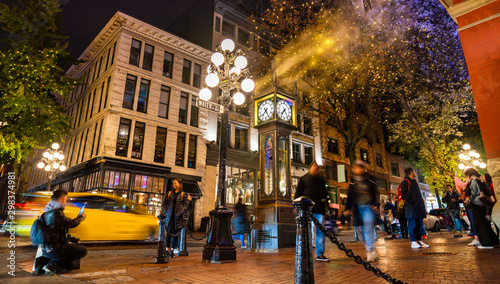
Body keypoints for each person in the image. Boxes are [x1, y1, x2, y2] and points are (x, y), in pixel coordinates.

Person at [38, 190, 87, 275]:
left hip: (46, 249)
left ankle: (49, 262)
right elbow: (70, 223)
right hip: (55, 248)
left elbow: (65, 226)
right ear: (61, 199)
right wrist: (81, 217)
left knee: (72, 265)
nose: (65, 203)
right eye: (65, 200)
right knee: (82, 251)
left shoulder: (48, 212)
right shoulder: (56, 214)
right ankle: (53, 264)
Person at [344, 160, 379, 262]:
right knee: (360, 232)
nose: (358, 169)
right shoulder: (352, 181)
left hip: (368, 207)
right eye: (356, 167)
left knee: (368, 228)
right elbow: (349, 195)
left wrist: (375, 205)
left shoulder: (370, 179)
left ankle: (369, 251)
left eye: (360, 167)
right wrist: (347, 208)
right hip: (357, 208)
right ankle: (371, 248)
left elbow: (375, 192)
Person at [295, 161, 329, 262]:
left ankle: (320, 253)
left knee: (320, 232)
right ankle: (305, 253)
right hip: (306, 210)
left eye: (317, 167)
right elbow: (298, 193)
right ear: (310, 167)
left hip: (319, 209)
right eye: (314, 166)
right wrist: (297, 207)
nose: (316, 168)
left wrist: (325, 205)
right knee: (306, 232)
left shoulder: (321, 181)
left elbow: (325, 195)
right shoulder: (304, 179)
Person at [464, 168, 499, 249]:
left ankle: (486, 243)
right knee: (485, 224)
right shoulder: (480, 179)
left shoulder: (473, 181)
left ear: (468, 175)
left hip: (477, 204)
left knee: (480, 224)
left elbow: (474, 193)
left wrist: (468, 200)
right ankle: (493, 241)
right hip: (484, 204)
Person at [400, 167, 429, 249]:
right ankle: (413, 241)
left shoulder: (415, 182)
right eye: (414, 171)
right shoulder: (405, 182)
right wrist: (412, 201)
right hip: (411, 208)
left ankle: (418, 240)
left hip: (418, 208)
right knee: (412, 225)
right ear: (411, 172)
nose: (415, 173)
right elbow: (404, 195)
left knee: (419, 225)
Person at [163, 179, 192, 257]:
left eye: (175, 183)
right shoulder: (169, 193)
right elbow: (164, 203)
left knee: (175, 233)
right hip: (169, 217)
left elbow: (186, 205)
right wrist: (165, 212)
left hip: (177, 217)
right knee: (168, 233)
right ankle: (167, 250)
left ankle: (172, 250)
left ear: (179, 184)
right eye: (173, 183)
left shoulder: (182, 194)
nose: (173, 185)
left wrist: (181, 212)